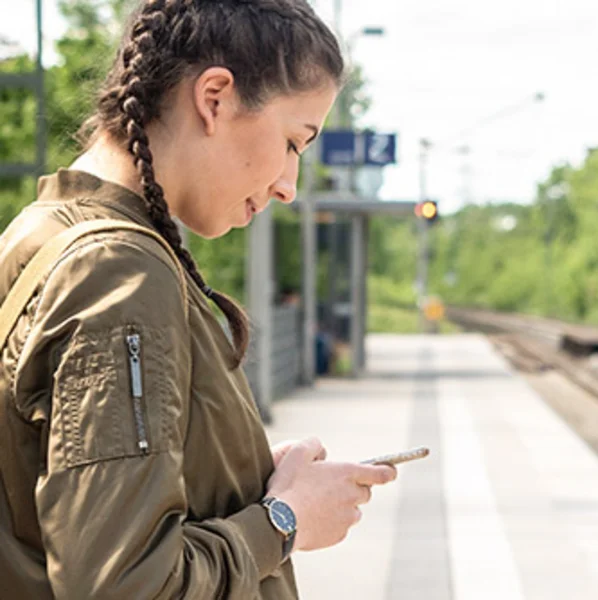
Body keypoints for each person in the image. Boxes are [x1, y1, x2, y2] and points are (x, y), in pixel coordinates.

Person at [0, 1, 397, 598]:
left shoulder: (42, 230)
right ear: (214, 98)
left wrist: (241, 476)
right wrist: (284, 523)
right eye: (293, 141)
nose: (290, 186)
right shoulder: (118, 276)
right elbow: (124, 583)